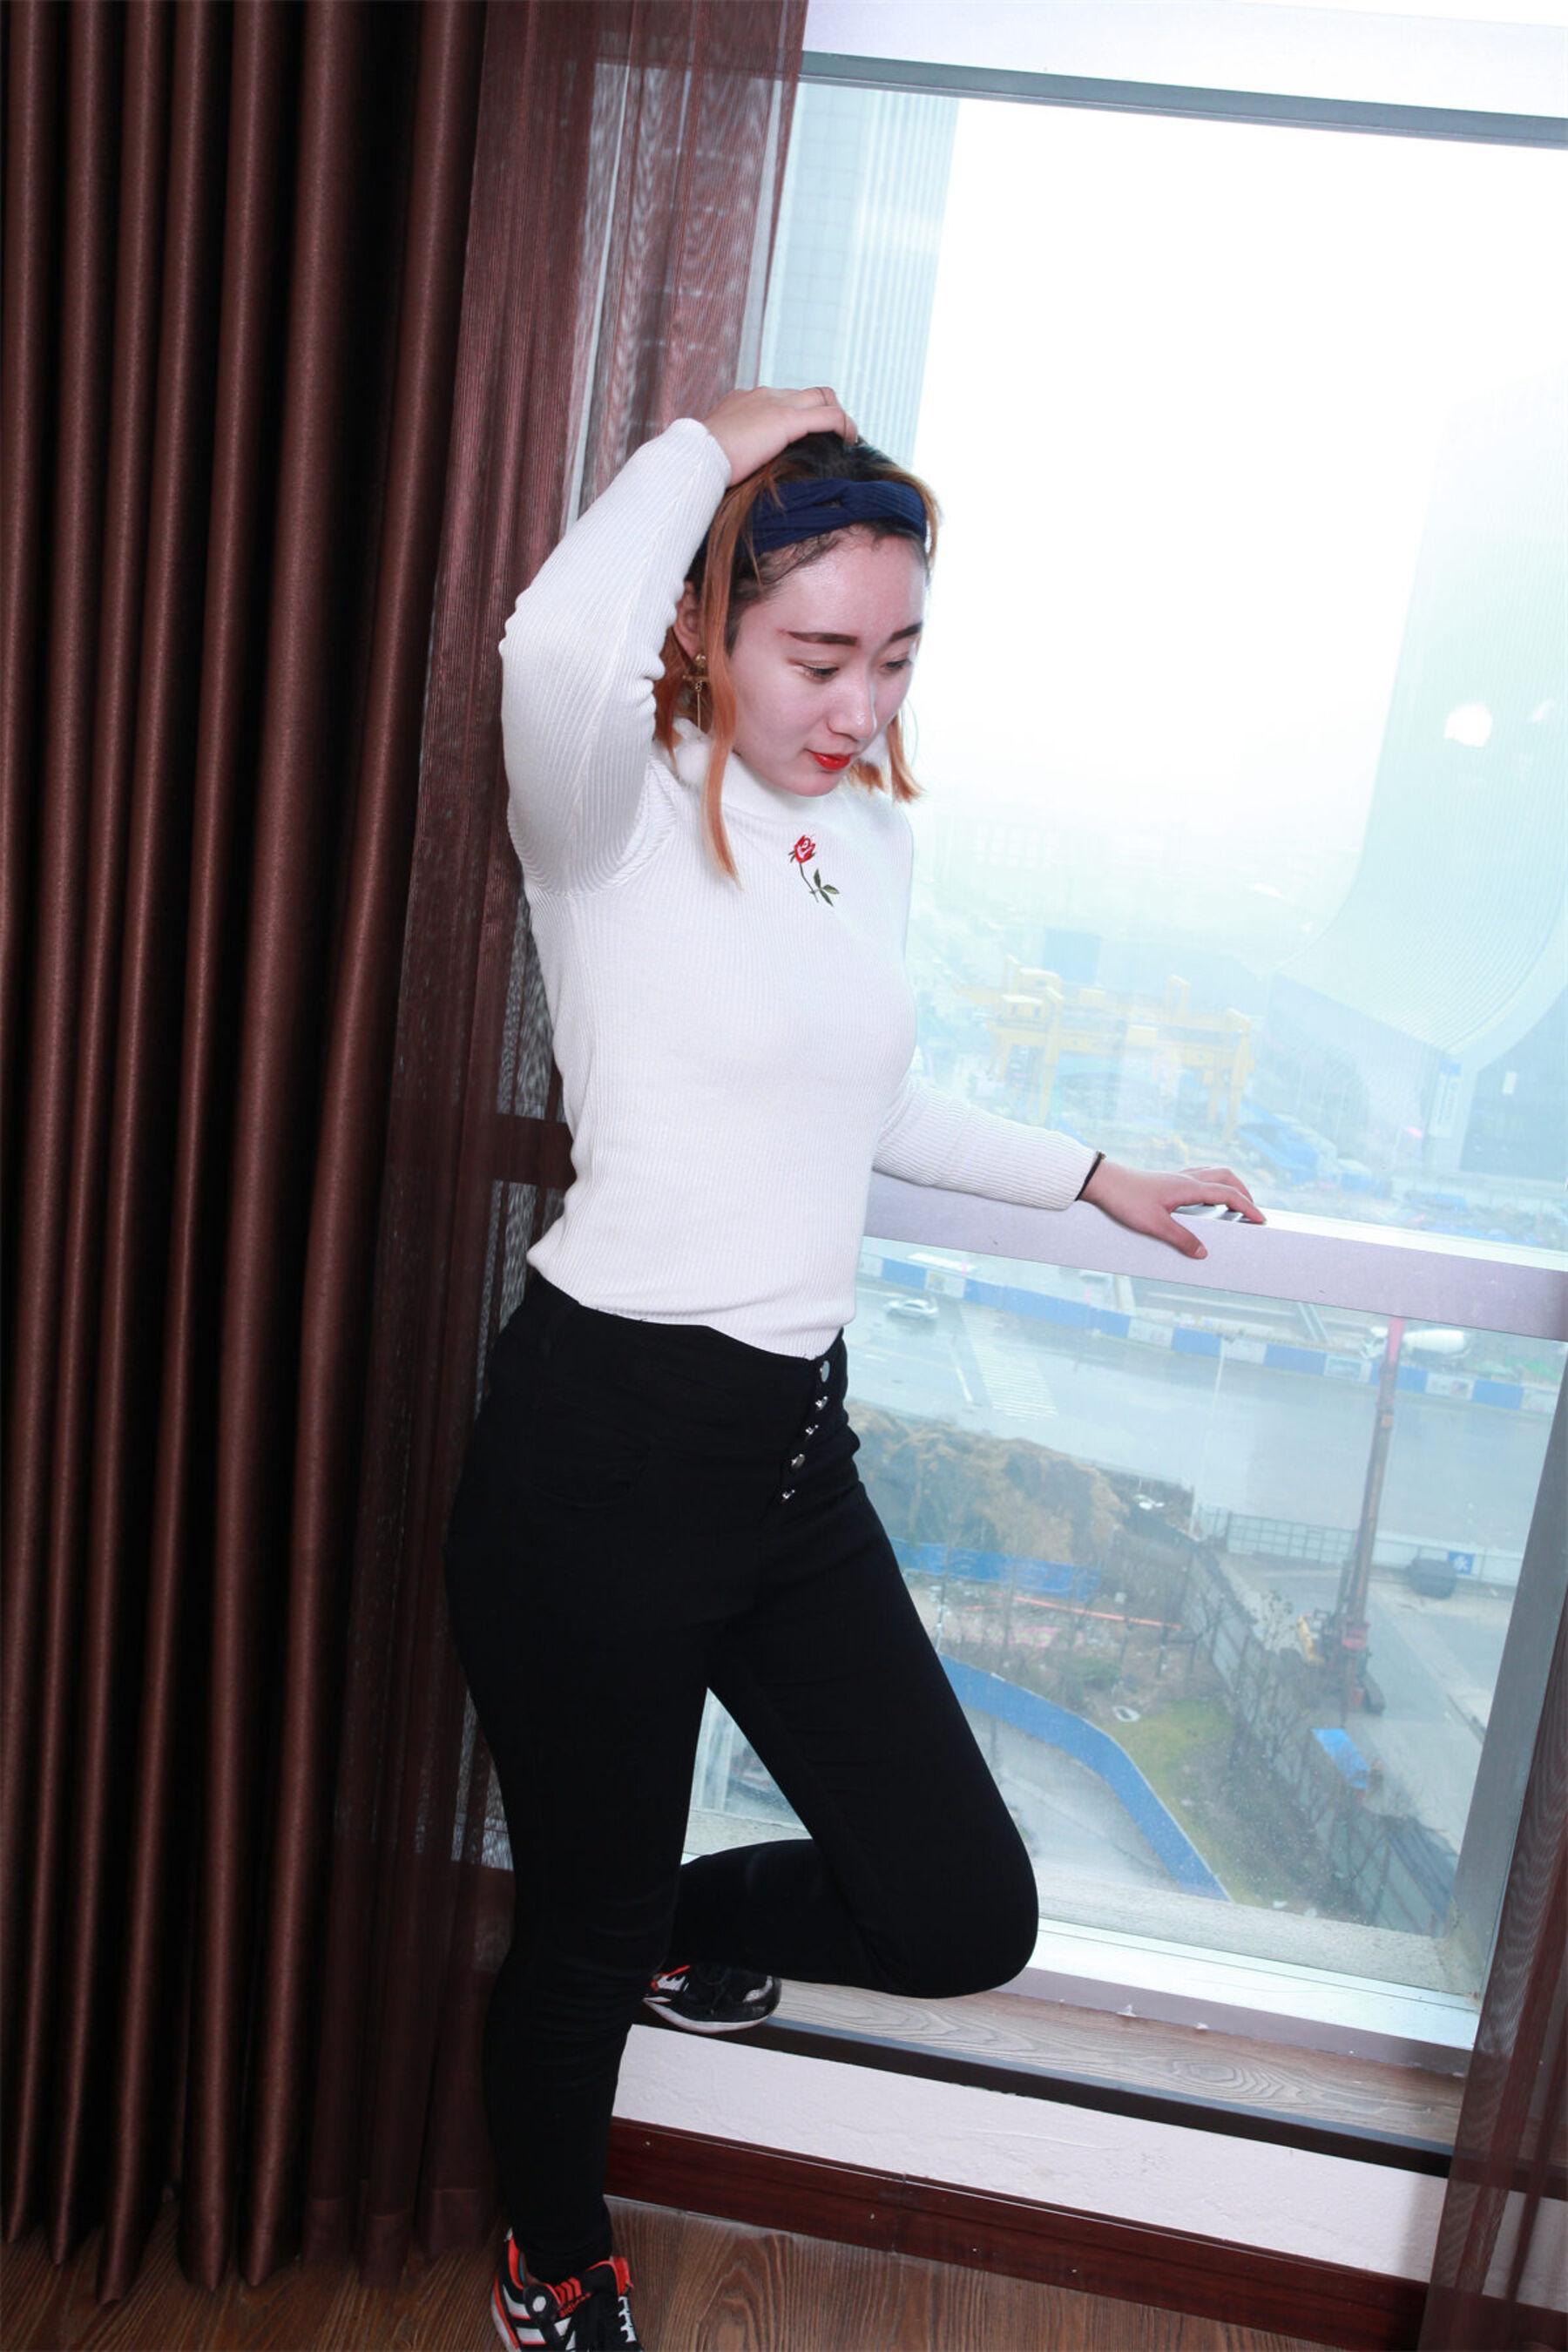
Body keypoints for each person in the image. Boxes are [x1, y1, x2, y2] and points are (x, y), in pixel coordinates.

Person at [443, 384, 1265, 2351]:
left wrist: (1092, 1173)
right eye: (817, 656)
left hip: (790, 1462)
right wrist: (702, 439)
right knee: (580, 1928)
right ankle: (555, 2262)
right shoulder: (607, 809)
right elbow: (549, 644)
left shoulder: (860, 842)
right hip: (605, 1451)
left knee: (963, 1911)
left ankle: (667, 1935)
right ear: (705, 625)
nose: (859, 704)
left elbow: (864, 1100)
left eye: (895, 657)